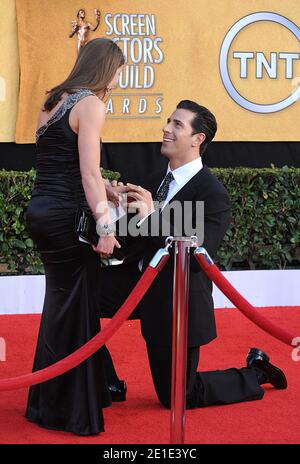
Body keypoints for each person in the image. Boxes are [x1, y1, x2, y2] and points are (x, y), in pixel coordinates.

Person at [115, 100, 287, 409]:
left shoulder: (212, 193)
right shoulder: (153, 181)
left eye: (177, 125)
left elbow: (194, 257)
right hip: (135, 284)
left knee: (179, 395)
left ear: (198, 139)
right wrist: (111, 213)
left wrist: (149, 217)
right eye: (168, 121)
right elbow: (130, 241)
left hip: (176, 300)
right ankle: (104, 383)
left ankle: (255, 372)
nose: (166, 129)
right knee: (79, 292)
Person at [25, 38, 126, 435]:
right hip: (68, 217)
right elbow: (85, 174)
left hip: (42, 211)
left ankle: (57, 398)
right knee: (73, 304)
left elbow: (62, 164)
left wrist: (108, 188)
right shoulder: (91, 104)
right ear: (107, 69)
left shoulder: (53, 100)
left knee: (63, 303)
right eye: (119, 70)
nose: (120, 78)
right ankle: (65, 409)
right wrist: (105, 226)